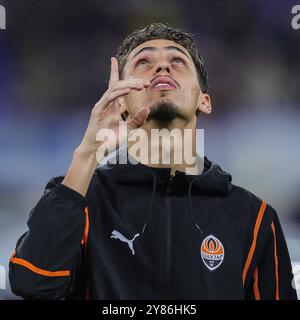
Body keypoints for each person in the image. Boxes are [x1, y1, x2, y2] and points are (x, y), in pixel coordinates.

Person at [9, 23, 297, 300]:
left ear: (204, 101)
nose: (162, 66)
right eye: (144, 62)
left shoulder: (253, 217)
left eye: (178, 60)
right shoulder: (81, 200)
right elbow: (34, 283)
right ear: (121, 102)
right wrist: (88, 154)